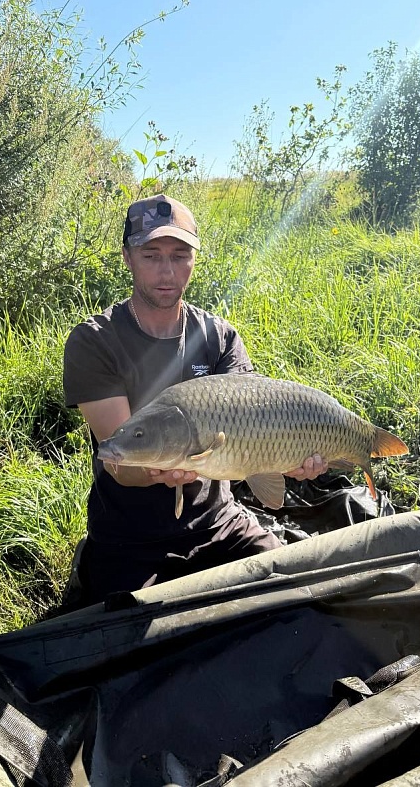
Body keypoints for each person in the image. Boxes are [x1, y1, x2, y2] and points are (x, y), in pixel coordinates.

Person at [63, 193, 328, 605]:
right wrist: (156, 473)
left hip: (216, 521)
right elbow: (118, 460)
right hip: (129, 534)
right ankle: (92, 562)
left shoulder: (219, 336)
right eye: (151, 255)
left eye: (179, 255)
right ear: (127, 258)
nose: (167, 271)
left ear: (193, 260)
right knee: (123, 634)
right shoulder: (94, 341)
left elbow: (256, 433)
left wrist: (289, 457)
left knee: (292, 596)